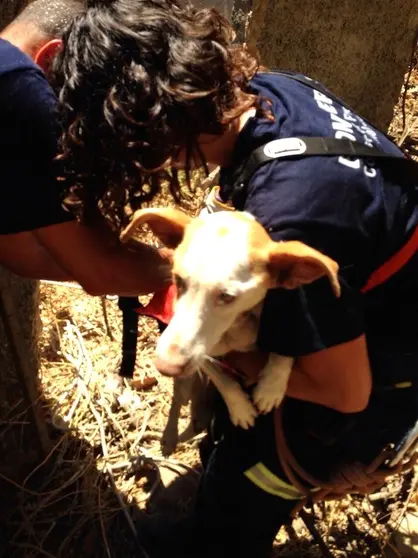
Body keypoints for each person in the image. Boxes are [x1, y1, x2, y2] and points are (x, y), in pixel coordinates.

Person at [50, 0, 418, 556]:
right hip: (368, 308)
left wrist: (231, 361)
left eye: (124, 150)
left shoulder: (296, 221)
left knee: (249, 481)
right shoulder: (268, 94)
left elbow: (345, 392)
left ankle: (222, 528)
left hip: (381, 374)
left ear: (153, 133)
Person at [0, 0, 171, 296]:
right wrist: (190, 265)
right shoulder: (20, 89)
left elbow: (26, 253)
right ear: (53, 57)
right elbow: (106, 273)